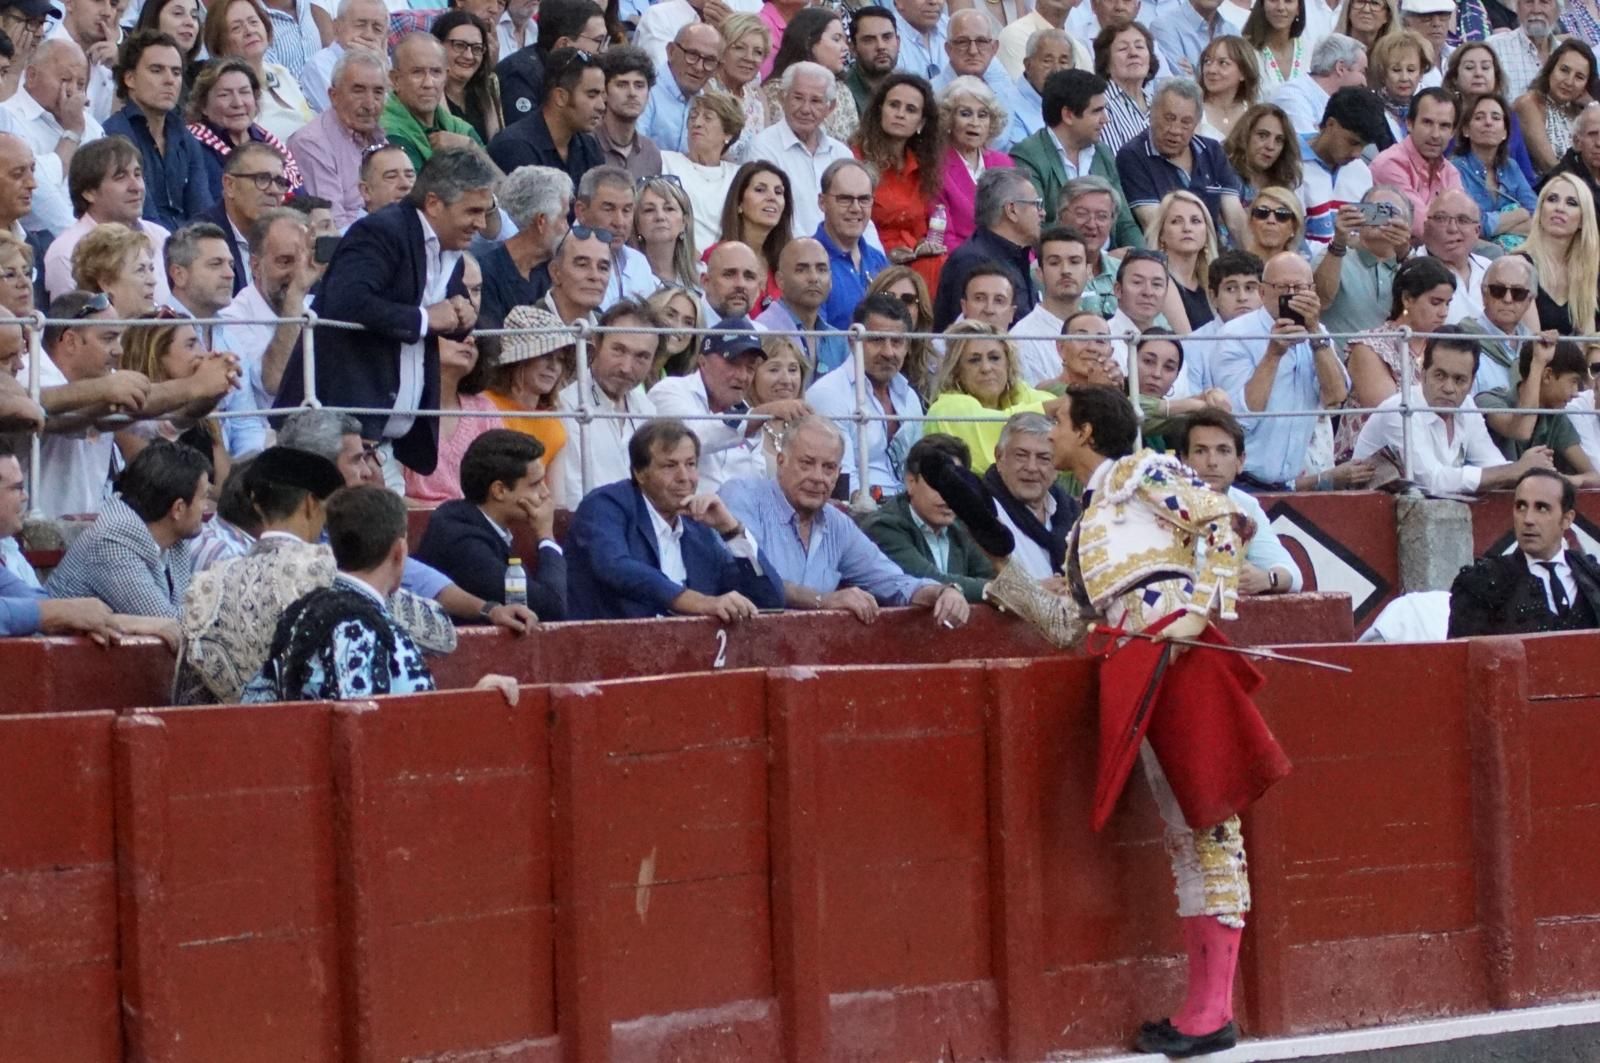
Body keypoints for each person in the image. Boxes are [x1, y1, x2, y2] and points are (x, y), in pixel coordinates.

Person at [925, 383, 1286, 1059]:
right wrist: (999, 560)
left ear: (1086, 430)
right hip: (1132, 668)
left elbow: (1223, 526)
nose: (1050, 426)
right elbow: (1069, 626)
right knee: (1188, 831)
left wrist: (1196, 616)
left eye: (1058, 418)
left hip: (1180, 659)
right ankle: (1204, 1009)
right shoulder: (1085, 525)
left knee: (1208, 826)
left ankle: (1212, 1010)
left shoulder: (1147, 471)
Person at [274, 147, 491, 483]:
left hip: (383, 445)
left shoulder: (452, 250)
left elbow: (445, 317)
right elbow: (347, 302)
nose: (481, 223)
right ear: (434, 203)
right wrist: (424, 319)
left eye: (485, 211)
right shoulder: (380, 232)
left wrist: (462, 318)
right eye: (473, 211)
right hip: (330, 440)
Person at [241, 484, 520, 703]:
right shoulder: (368, 627)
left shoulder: (301, 611)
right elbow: (380, 728)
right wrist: (474, 701)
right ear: (399, 551)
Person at [721, 415, 970, 625]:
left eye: (829, 467)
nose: (818, 477)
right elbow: (753, 578)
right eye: (807, 464)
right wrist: (823, 601)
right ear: (781, 462)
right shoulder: (743, 497)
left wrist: (942, 592)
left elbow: (894, 581)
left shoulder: (837, 524)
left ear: (839, 473)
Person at [173, 446, 350, 703]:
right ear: (312, 504)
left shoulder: (208, 583)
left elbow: (188, 693)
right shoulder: (330, 571)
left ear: (255, 502)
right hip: (305, 732)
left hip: (228, 735)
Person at [566, 419, 784, 621]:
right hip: (610, 653)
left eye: (690, 464)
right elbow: (616, 568)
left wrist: (731, 530)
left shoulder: (699, 528)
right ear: (640, 473)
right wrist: (700, 602)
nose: (684, 477)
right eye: (669, 466)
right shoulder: (605, 505)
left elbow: (769, 598)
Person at [1354, 325, 1554, 493]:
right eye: (1440, 376)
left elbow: (1492, 464)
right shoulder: (1399, 410)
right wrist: (1516, 470)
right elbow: (1432, 481)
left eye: (1459, 380)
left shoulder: (1466, 405)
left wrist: (1531, 468)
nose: (1449, 388)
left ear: (1472, 382)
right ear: (1423, 374)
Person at [1211, 251, 1351, 489]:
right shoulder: (1236, 334)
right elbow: (1241, 416)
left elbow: (1336, 398)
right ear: (1263, 292)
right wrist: (1273, 354)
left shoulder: (1318, 332)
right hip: (1241, 482)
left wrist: (1315, 333)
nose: (1292, 295)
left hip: (1289, 484)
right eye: (1283, 287)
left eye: (1300, 287)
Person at [46, 439, 209, 617]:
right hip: (50, 644)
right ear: (178, 509)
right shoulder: (111, 542)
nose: (206, 507)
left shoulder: (177, 540)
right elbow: (165, 621)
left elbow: (184, 613)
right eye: (203, 497)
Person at [414, 428, 566, 619]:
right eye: (535, 484)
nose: (546, 493)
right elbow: (551, 608)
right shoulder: (463, 543)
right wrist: (546, 536)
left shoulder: (471, 522)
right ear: (499, 491)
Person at [649, 319, 811, 491]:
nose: (742, 376)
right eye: (733, 364)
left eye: (750, 368)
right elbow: (690, 439)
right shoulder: (671, 390)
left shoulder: (745, 412)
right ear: (702, 362)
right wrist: (762, 413)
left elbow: (755, 482)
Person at [1448, 468, 1600, 636]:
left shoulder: (1593, 575)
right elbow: (1461, 657)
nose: (1528, 519)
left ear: (1567, 519)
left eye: (1542, 508)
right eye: (1521, 506)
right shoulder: (1480, 582)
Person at [805, 292, 923, 495]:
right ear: (853, 341)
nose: (888, 352)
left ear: (907, 347)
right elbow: (841, 483)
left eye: (896, 342)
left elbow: (920, 470)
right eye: (877, 340)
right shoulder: (828, 393)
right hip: (860, 514)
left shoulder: (909, 396)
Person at [1337, 254, 1455, 455]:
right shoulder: (1369, 346)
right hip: (1372, 462)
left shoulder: (1445, 348)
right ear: (1407, 299)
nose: (1444, 312)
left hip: (1434, 455)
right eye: (1436, 302)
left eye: (1447, 303)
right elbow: (1388, 416)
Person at [1176, 408, 1302, 594]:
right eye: (1201, 451)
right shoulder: (1163, 502)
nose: (1212, 462)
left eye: (1223, 451)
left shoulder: (1246, 505)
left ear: (1240, 462)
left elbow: (1293, 577)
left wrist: (1265, 579)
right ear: (1184, 460)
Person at [860, 433, 996, 602]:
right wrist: (991, 591)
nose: (948, 496)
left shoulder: (962, 525)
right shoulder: (883, 527)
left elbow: (993, 575)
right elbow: (927, 581)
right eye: (938, 484)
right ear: (911, 482)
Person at [1011, 69, 1142, 243]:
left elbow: (1125, 223)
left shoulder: (1103, 153)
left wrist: (1139, 257)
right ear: (1068, 115)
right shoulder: (1028, 155)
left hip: (1111, 264)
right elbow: (1034, 227)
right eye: (1097, 111)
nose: (1106, 119)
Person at [551, 298, 660, 506]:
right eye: (618, 350)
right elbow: (573, 498)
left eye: (642, 357)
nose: (626, 367)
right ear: (597, 344)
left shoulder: (647, 409)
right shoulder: (568, 407)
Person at [103, 29, 211, 232]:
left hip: (191, 251)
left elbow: (202, 211)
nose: (170, 80)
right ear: (129, 79)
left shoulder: (185, 136)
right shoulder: (114, 136)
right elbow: (143, 219)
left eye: (176, 72)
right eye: (156, 70)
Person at [1117, 78, 1247, 244]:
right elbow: (1155, 224)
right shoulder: (1133, 155)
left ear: (1196, 124)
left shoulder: (1212, 151)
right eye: (1169, 118)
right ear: (1152, 114)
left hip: (1213, 257)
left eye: (1185, 122)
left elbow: (1236, 219)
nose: (1175, 130)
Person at [213, 207, 313, 421]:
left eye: (304, 262)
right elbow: (275, 382)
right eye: (285, 261)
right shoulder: (232, 319)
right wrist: (295, 295)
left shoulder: (317, 308)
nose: (298, 274)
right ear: (256, 267)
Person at [0, 38, 105, 237]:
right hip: (43, 234)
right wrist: (72, 133)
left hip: (93, 229)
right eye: (65, 80)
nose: (73, 91)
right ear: (31, 76)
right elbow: (38, 191)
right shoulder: (10, 117)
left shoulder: (90, 125)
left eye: (81, 84)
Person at [852, 71, 946, 293]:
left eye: (910, 109)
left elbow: (922, 227)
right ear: (880, 111)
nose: (900, 114)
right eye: (894, 105)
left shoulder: (923, 168)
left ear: (921, 123)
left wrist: (923, 246)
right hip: (872, 260)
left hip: (915, 261)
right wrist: (888, 254)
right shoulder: (856, 160)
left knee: (939, 262)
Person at [926, 320, 1054, 473]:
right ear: (957, 371)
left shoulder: (1020, 393)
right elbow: (1001, 426)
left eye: (994, 358)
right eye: (974, 360)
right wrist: (1054, 408)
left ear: (1008, 364)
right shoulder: (945, 408)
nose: (986, 368)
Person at [747, 62, 856, 240]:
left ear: (830, 107)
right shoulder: (763, 148)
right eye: (798, 98)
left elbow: (859, 214)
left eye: (815, 101)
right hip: (791, 255)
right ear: (783, 98)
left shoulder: (841, 154)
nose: (805, 109)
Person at [286, 49, 388, 231]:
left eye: (378, 92)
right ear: (334, 96)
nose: (370, 104)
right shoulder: (311, 144)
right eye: (358, 91)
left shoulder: (379, 138)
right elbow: (333, 226)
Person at [185, 57, 306, 204]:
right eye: (225, 95)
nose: (238, 103)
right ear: (203, 105)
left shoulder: (268, 142)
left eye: (244, 92)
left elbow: (301, 200)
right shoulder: (193, 146)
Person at [1478, 337, 1599, 482]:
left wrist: (1560, 480)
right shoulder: (1488, 401)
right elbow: (1522, 430)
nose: (1575, 393)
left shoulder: (1556, 417)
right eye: (1573, 382)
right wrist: (1538, 363)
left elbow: (1594, 476)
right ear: (1547, 375)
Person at [932, 168, 1040, 329]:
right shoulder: (973, 262)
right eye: (1037, 205)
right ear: (1012, 210)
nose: (1042, 212)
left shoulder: (1017, 256)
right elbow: (967, 336)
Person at [1314, 184, 1414, 350]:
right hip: (1340, 370)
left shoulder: (1414, 266)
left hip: (1395, 371)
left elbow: (1426, 312)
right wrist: (1339, 241)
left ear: (1408, 227)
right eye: (1374, 211)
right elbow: (1320, 301)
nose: (1383, 220)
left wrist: (1404, 254)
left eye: (1392, 213)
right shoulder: (1334, 256)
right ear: (1360, 216)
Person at [202, 0, 314, 142]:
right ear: (220, 44)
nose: (249, 31)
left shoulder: (280, 72)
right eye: (237, 28)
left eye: (254, 22)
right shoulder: (227, 92)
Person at [476, 165, 570, 329]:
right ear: (542, 221)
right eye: (563, 217)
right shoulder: (485, 274)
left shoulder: (557, 271)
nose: (567, 228)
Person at [932, 74, 1016, 252]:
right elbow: (944, 236)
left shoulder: (1004, 163)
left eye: (983, 115)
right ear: (948, 119)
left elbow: (1021, 222)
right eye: (965, 114)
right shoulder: (936, 166)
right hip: (964, 264)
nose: (975, 123)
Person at [482, 306, 574, 470]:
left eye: (560, 359)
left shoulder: (553, 426)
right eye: (545, 355)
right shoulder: (483, 406)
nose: (554, 367)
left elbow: (555, 494)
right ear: (520, 360)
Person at [197, 141, 289, 296]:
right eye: (262, 178)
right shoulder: (202, 238)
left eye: (280, 182)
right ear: (230, 185)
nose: (274, 190)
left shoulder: (286, 237)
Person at [811, 158, 886, 349]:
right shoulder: (807, 263)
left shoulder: (880, 262)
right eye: (844, 199)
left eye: (864, 199)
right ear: (822, 202)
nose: (855, 208)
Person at [1370, 87, 1462, 239]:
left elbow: (1463, 222)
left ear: (1453, 132)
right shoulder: (1389, 164)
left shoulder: (1450, 171)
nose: (1435, 134)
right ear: (1409, 124)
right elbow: (1421, 226)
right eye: (1427, 123)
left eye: (1444, 126)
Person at [382, 34, 482, 173]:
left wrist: (471, 146)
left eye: (436, 72)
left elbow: (498, 185)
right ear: (396, 80)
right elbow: (416, 192)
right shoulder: (387, 131)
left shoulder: (460, 130)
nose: (428, 83)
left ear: (446, 76)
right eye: (417, 72)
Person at [661, 90, 744, 255]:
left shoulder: (738, 176)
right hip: (678, 256)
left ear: (728, 133)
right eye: (693, 116)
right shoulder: (665, 161)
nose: (697, 123)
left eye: (707, 118)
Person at [761, 7, 859, 145]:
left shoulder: (843, 91)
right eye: (836, 39)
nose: (845, 48)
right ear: (809, 42)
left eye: (845, 40)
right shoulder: (779, 89)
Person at [498, 0, 605, 122]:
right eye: (598, 41)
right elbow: (525, 137)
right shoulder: (519, 76)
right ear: (564, 44)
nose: (603, 50)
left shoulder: (580, 75)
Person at [1523, 172, 1600, 335]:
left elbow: (1586, 341)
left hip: (1573, 359)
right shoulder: (1520, 266)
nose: (1559, 208)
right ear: (1540, 210)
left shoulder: (1584, 271)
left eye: (1571, 203)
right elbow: (1532, 344)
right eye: (1552, 199)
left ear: (1582, 220)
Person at [1013, 225, 1091, 386]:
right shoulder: (1021, 338)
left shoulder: (1104, 332)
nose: (1065, 270)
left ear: (1088, 272)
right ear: (1039, 274)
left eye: (1074, 262)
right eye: (1054, 263)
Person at [570, 165, 658, 307]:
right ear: (581, 211)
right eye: (608, 209)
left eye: (627, 210)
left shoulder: (639, 263)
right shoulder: (562, 256)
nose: (619, 222)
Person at [755, 236, 840, 377]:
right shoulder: (762, 330)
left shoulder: (839, 341)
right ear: (780, 280)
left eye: (821, 269)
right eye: (801, 270)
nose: (814, 278)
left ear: (830, 280)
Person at [1514, 40, 1599, 175]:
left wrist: (1591, 104)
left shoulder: (1579, 112)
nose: (1569, 81)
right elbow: (1550, 165)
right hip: (1549, 189)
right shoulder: (1529, 103)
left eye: (1579, 77)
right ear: (1551, 68)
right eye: (1564, 70)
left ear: (1586, 85)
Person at [639, 22, 724, 155]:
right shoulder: (644, 91)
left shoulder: (708, 104)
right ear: (671, 51)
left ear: (717, 69)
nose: (699, 67)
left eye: (709, 61)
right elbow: (635, 154)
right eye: (692, 55)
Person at [714, 167, 791, 309]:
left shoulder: (785, 263)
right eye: (760, 190)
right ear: (739, 202)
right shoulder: (716, 257)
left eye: (778, 192)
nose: (772, 197)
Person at [1461, 254, 1538, 393]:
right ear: (1484, 294)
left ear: (1530, 300)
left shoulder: (1535, 346)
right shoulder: (1462, 340)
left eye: (1518, 293)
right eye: (1498, 290)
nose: (1508, 299)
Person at [1149, 188, 1222, 330]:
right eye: (1176, 221)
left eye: (1195, 221)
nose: (1187, 228)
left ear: (1207, 232)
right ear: (1161, 234)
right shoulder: (1159, 279)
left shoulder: (1211, 282)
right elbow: (1188, 343)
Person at [298, 0, 387, 114]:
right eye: (360, 25)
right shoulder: (320, 65)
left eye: (377, 28)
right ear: (337, 27)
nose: (368, 35)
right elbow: (349, 116)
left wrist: (384, 71)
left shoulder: (388, 65)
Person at [1268, 33, 1366, 137]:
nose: (1365, 83)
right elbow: (1305, 149)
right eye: (1362, 72)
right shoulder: (1292, 96)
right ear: (1340, 68)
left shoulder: (1343, 104)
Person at [430, 10, 502, 146]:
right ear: (437, 46)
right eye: (459, 45)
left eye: (476, 48)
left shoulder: (485, 92)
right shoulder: (426, 95)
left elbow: (496, 150)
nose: (469, 56)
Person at [864, 264, 938, 397]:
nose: (897, 305)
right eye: (888, 296)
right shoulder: (855, 355)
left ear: (920, 310)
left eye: (908, 299)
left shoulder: (937, 366)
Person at [1421, 188, 1489, 323]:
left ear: (1477, 231)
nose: (1452, 228)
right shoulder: (1411, 268)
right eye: (1441, 219)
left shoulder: (1492, 270)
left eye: (1463, 220)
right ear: (1426, 226)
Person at [710, 14, 771, 161]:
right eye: (739, 48)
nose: (749, 58)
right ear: (721, 52)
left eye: (758, 52)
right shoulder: (708, 89)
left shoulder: (757, 95)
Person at [595, 45, 661, 181]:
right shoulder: (585, 144)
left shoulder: (651, 153)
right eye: (622, 85)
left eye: (639, 85)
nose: (632, 93)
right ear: (604, 92)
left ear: (648, 94)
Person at [1094, 19, 1159, 155]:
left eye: (1140, 47)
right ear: (1105, 63)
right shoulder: (1100, 105)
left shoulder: (1158, 104)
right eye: (1123, 48)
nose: (1133, 53)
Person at [1220, 100, 1301, 204]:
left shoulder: (1284, 181)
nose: (1270, 146)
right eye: (1262, 135)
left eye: (1279, 140)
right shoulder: (1224, 173)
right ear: (1245, 135)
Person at [73, 222, 158, 317]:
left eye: (151, 269)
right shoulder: (86, 331)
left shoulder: (164, 329)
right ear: (107, 283)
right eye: (140, 270)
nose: (153, 281)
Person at [1485, 0, 1564, 102]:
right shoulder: (1495, 47)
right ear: (1517, 8)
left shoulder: (1567, 55)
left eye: (1544, 2)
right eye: (1529, 2)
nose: (1536, 10)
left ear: (1557, 11)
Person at [633, 174, 699, 293]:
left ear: (684, 222)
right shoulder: (626, 279)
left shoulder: (703, 277)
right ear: (637, 224)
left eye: (669, 209)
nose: (660, 217)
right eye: (649, 210)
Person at [1369, 30, 1432, 145]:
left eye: (1411, 70)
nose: (1404, 78)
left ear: (1421, 73)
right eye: (1396, 70)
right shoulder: (1369, 109)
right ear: (1383, 73)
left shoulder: (1429, 109)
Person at [1196, 35, 1259, 140]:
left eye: (1223, 63)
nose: (1211, 70)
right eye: (1207, 61)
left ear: (1243, 72)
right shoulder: (1194, 111)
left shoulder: (1255, 115)